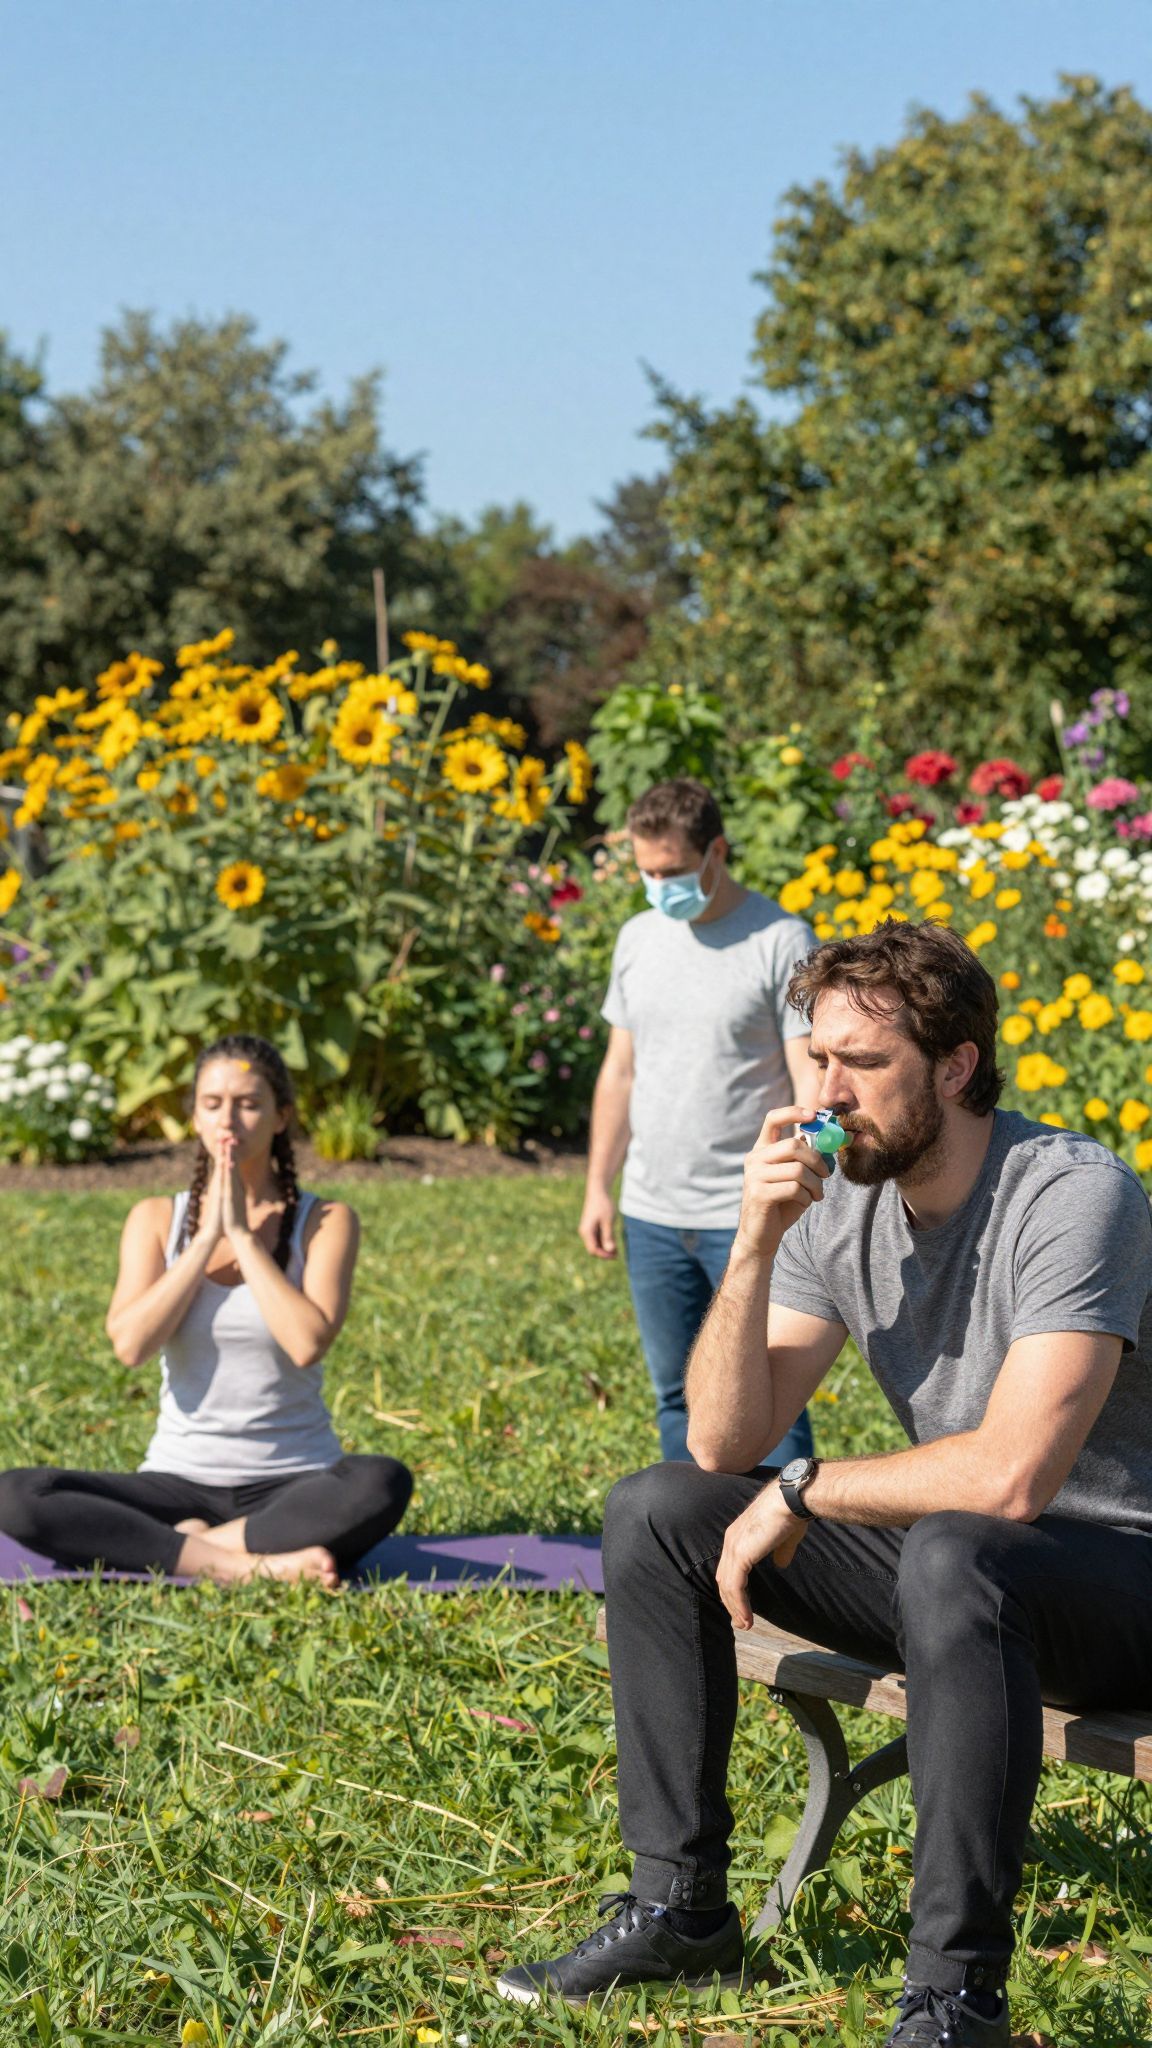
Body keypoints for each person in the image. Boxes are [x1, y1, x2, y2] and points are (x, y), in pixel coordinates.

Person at [498, 920, 1152, 2045]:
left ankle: (953, 1998)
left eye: (862, 1061)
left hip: (1123, 1573)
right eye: (816, 1056)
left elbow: (1012, 1473)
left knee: (957, 1547)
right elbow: (717, 1439)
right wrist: (754, 1237)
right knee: (658, 1510)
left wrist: (803, 1486)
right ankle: (680, 1906)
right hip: (978, 1566)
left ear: (955, 1066)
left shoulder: (1071, 1195)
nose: (826, 1087)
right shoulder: (841, 1195)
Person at [0, 1033, 412, 1586]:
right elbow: (130, 1346)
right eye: (213, 1104)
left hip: (293, 1483)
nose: (230, 1120)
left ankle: (193, 1552)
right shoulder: (152, 1219)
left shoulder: (326, 1221)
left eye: (249, 1103)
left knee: (380, 1483)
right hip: (177, 1482)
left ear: (281, 1116)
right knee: (19, 1496)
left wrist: (241, 1236)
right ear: (194, 1116)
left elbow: (306, 1341)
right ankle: (246, 1567)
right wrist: (202, 1241)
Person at [580, 777, 818, 1465]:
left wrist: (800, 1188)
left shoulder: (780, 939)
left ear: (716, 852)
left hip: (746, 1214)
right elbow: (620, 1070)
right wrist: (599, 1184)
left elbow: (809, 1079)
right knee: (676, 1397)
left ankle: (785, 1558)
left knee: (769, 1403)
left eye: (673, 871)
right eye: (647, 872)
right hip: (650, 1212)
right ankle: (690, 1555)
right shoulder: (637, 938)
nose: (658, 886)